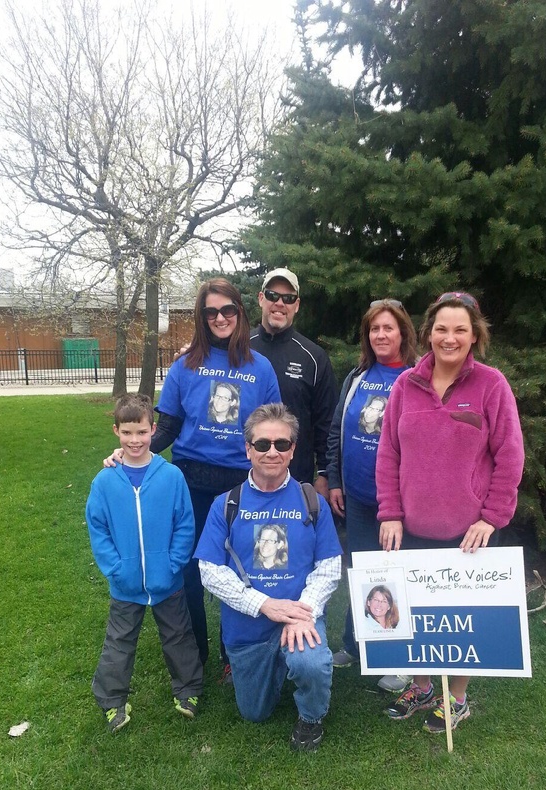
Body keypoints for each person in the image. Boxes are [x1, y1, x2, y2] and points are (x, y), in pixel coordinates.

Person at [105, 279, 280, 668]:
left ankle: (235, 654)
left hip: (241, 486)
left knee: (241, 571)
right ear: (202, 317)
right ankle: (195, 654)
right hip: (190, 484)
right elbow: (167, 426)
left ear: (239, 312)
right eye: (211, 312)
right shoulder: (185, 366)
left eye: (227, 310)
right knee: (190, 572)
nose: (220, 318)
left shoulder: (261, 368)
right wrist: (132, 450)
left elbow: (272, 431)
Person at [376, 291, 525, 733]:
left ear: (475, 335)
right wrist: (390, 512)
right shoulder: (406, 385)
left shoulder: (492, 385)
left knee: (464, 621)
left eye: (461, 329)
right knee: (416, 614)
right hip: (411, 529)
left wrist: (491, 517)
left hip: (468, 533)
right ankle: (422, 687)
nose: (450, 338)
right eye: (442, 328)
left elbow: (510, 456)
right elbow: (388, 453)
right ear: (428, 334)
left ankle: (455, 698)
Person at [195, 403, 342, 752]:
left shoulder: (312, 501)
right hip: (248, 628)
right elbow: (209, 571)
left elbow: (330, 566)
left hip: (300, 617)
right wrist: (265, 605)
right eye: (262, 444)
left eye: (281, 444)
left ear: (292, 450)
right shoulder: (226, 504)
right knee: (254, 713)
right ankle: (275, 665)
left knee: (310, 662)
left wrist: (302, 611)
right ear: (248, 449)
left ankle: (311, 716)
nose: (272, 452)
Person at [86, 394, 204, 733]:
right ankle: (112, 700)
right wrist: (115, 568)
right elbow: (98, 528)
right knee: (119, 642)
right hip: (125, 583)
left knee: (179, 636)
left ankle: (188, 691)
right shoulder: (105, 481)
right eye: (127, 433)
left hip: (168, 580)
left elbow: (184, 524)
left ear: (153, 429)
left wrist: (174, 563)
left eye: (141, 432)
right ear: (116, 432)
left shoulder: (171, 476)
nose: (134, 440)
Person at [326, 299, 418, 691]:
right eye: (374, 329)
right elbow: (337, 430)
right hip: (359, 497)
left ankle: (401, 660)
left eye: (388, 328)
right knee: (362, 572)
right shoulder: (357, 377)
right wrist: (334, 479)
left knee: (398, 576)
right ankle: (355, 643)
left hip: (401, 502)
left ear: (403, 333)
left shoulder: (417, 377)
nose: (380, 335)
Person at [251, 268, 338, 495]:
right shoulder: (239, 348)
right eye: (272, 295)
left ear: (296, 305)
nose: (280, 303)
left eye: (288, 298)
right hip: (243, 475)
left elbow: (327, 422)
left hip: (296, 478)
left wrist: (325, 474)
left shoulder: (314, 357)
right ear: (261, 298)